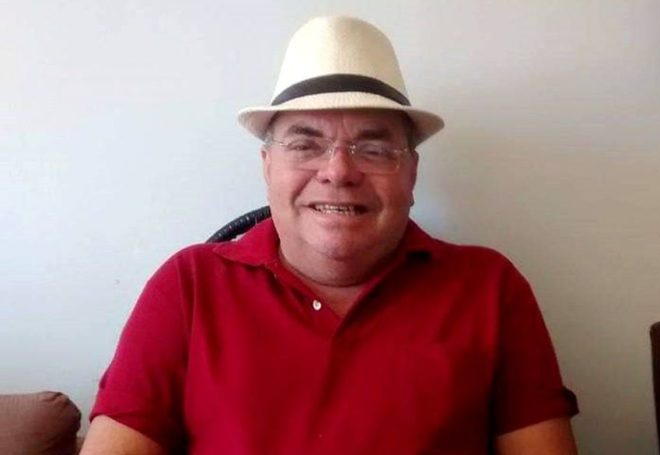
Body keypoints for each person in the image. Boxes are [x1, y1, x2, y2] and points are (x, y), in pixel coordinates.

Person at [81, 16, 579, 455]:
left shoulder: (490, 288)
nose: (338, 171)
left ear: (411, 173)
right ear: (267, 166)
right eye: (306, 145)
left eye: (373, 148)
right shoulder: (188, 285)